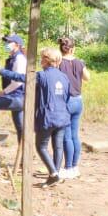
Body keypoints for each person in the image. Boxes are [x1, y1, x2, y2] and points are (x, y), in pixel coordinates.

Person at [34, 47, 71, 187]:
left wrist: (2, 71)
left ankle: (54, 174)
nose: (40, 60)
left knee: (40, 146)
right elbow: (66, 96)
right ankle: (55, 175)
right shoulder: (64, 77)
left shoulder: (42, 75)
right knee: (58, 147)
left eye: (42, 57)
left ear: (47, 60)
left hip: (48, 117)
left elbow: (22, 78)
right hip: (63, 116)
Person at [57, 36, 90, 180]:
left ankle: (68, 167)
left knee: (66, 136)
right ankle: (75, 167)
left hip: (66, 101)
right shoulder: (79, 62)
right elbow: (87, 78)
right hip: (78, 100)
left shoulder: (58, 63)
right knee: (75, 135)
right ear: (73, 48)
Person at [0, 34, 27, 142]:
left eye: (9, 42)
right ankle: (24, 150)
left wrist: (3, 92)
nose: (6, 44)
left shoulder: (20, 58)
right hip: (15, 96)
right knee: (20, 127)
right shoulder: (13, 58)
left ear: (16, 45)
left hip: (18, 97)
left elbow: (18, 81)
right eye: (6, 42)